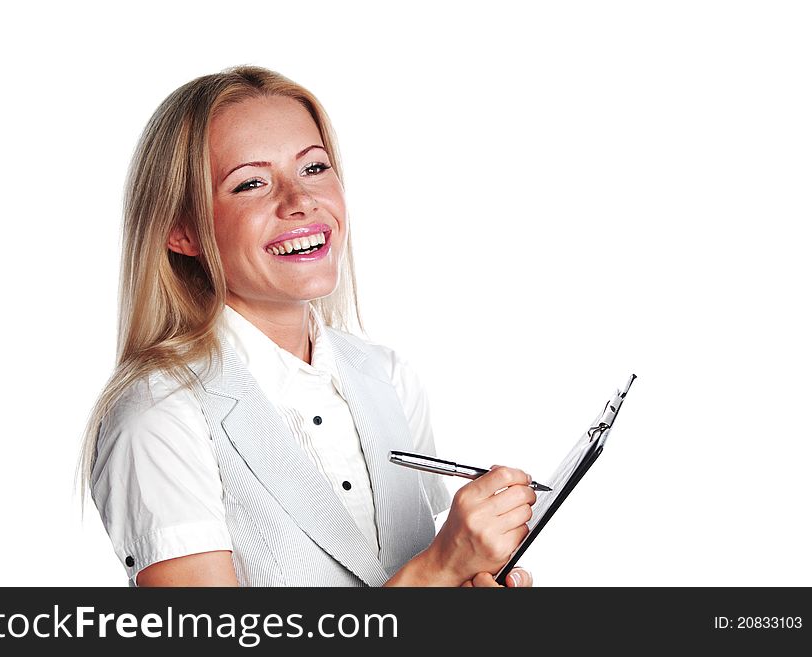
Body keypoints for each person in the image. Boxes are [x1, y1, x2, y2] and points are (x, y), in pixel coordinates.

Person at [79, 65, 537, 587]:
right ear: (181, 231)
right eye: (251, 182)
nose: (300, 201)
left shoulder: (390, 378)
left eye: (314, 169)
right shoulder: (158, 417)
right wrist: (436, 571)